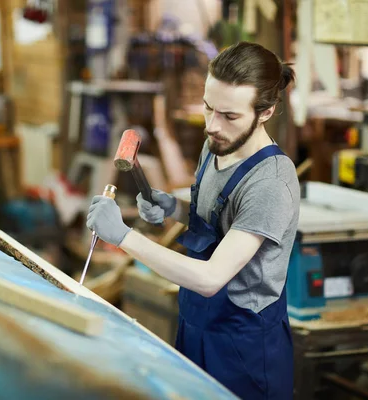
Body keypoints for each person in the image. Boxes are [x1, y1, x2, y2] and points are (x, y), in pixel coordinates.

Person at [86, 41, 300, 400]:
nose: (212, 125)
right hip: (196, 324)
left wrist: (123, 237)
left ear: (266, 112)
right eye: (208, 108)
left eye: (230, 116)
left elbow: (210, 278)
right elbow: (220, 224)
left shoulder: (270, 184)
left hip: (242, 347)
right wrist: (173, 208)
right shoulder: (217, 143)